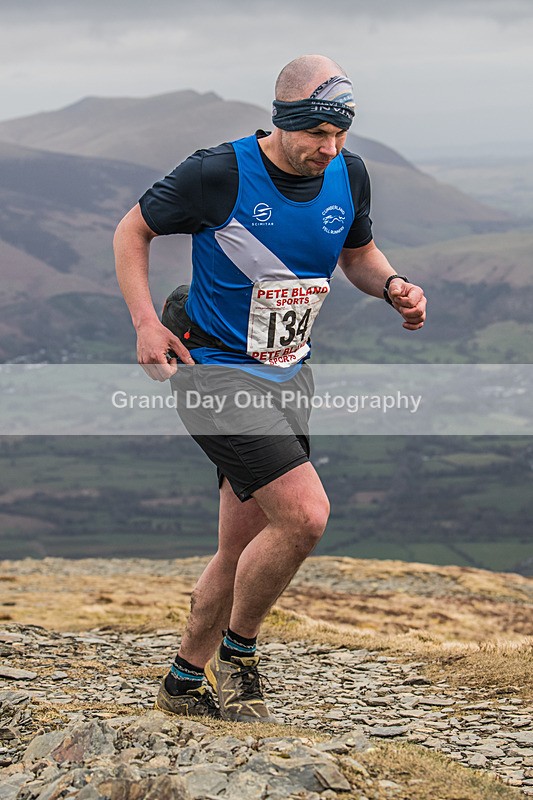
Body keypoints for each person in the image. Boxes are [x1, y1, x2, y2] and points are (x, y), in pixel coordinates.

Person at [113, 54, 427, 722]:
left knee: (240, 545)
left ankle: (181, 680)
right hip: (214, 369)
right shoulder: (218, 172)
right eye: (316, 132)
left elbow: (356, 254)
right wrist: (144, 323)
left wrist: (393, 285)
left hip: (288, 367)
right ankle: (241, 653)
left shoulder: (347, 172)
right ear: (283, 120)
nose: (329, 146)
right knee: (306, 515)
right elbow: (132, 229)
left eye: (339, 132)